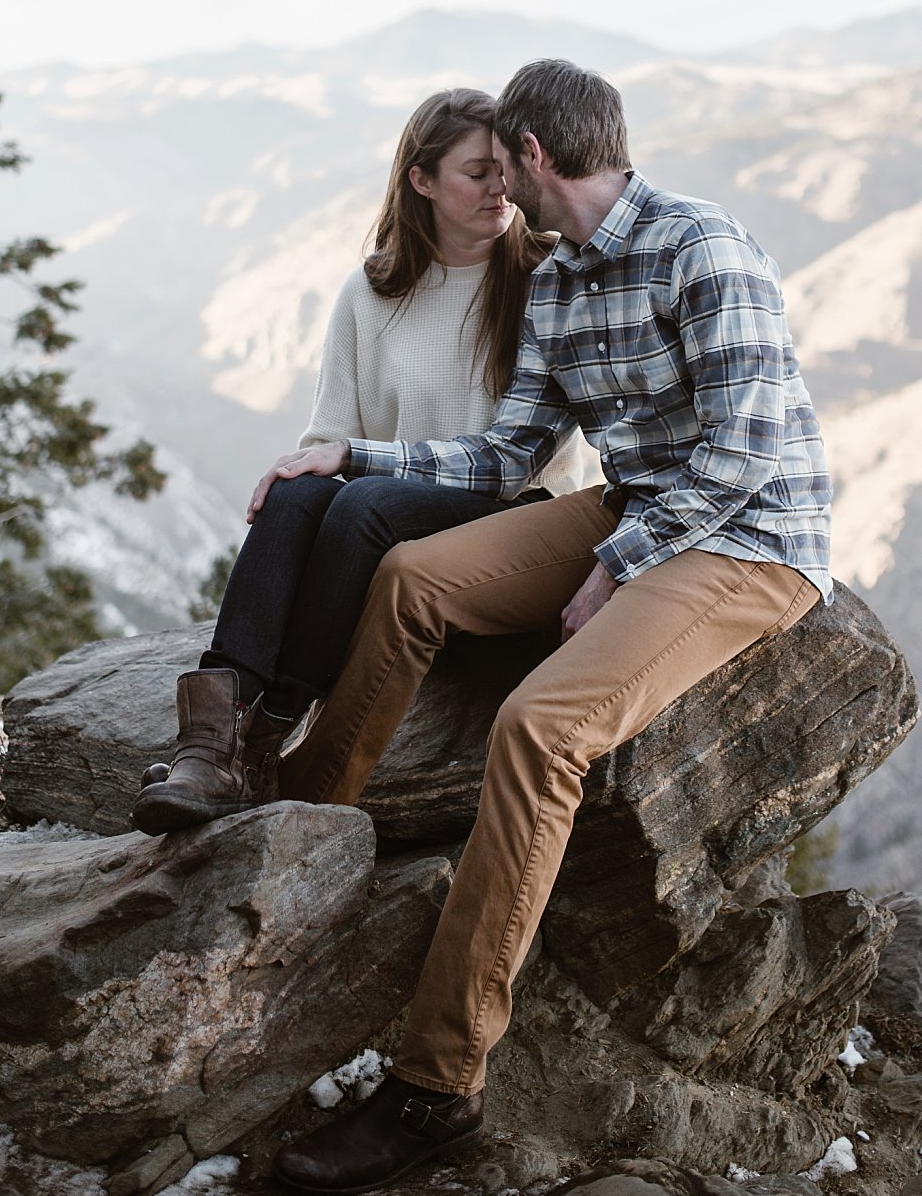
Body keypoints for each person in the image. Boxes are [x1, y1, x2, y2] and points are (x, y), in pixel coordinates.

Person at [250, 58, 833, 1196]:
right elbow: (505, 456)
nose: (492, 182)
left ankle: (437, 1082)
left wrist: (616, 567)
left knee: (539, 724)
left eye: (498, 159)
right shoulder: (560, 282)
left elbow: (744, 455)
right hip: (630, 509)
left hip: (748, 538)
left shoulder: (698, 247)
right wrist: (349, 456)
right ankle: (302, 822)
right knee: (414, 574)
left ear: (530, 157)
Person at [132, 88, 584, 837]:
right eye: (477, 172)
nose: (502, 189)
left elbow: (513, 464)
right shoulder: (372, 290)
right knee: (294, 494)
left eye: (506, 169)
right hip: (389, 515)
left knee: (359, 501)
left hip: (517, 515)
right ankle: (210, 746)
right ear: (422, 180)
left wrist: (356, 463)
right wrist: (302, 470)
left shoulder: (546, 280)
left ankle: (273, 721)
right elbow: (330, 440)